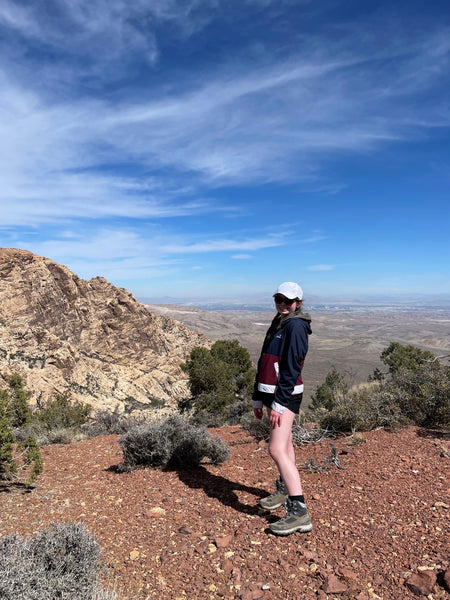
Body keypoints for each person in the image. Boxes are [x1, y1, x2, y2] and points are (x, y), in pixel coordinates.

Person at [252, 281, 313, 535]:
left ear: (298, 302)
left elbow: (291, 367)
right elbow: (264, 360)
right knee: (285, 446)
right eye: (278, 299)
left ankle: (299, 511)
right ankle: (284, 489)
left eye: (288, 301)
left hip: (284, 396)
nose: (282, 304)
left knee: (275, 448)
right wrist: (257, 395)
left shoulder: (296, 325)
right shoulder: (278, 322)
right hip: (270, 393)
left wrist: (279, 402)